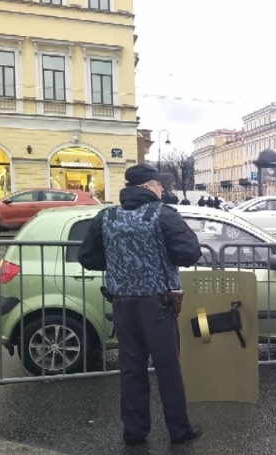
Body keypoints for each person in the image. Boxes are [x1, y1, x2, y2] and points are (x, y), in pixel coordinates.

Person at [77, 163, 203, 446]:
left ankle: (134, 432)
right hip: (157, 304)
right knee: (167, 367)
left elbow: (87, 257)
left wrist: (120, 263)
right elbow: (190, 253)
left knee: (131, 368)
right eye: (159, 184)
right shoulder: (163, 215)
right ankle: (179, 429)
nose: (162, 189)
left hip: (122, 303)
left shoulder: (107, 217)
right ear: (148, 186)